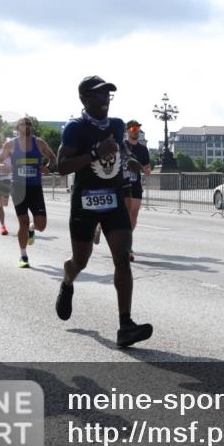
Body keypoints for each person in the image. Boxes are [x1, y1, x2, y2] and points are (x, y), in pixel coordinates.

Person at [55, 75, 152, 348]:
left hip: (113, 200)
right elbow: (62, 166)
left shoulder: (118, 124)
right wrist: (96, 151)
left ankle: (126, 326)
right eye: (98, 96)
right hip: (84, 203)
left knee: (122, 258)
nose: (104, 101)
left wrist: (131, 160)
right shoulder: (75, 128)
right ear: (84, 99)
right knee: (81, 261)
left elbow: (120, 150)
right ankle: (68, 279)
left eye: (107, 95)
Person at [0, 117, 57, 268]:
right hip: (18, 188)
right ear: (17, 127)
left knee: (41, 225)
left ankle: (33, 229)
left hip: (35, 188)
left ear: (32, 127)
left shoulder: (39, 143)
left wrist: (49, 168)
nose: (26, 126)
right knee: (22, 222)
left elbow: (53, 158)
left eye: (29, 124)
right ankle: (23, 256)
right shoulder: (10, 144)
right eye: (23, 124)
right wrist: (1, 166)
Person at [122, 120, 152, 261]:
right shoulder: (121, 146)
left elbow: (147, 167)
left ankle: (127, 239)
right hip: (122, 184)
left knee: (134, 216)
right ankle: (126, 245)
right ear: (127, 130)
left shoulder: (143, 149)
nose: (136, 131)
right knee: (125, 215)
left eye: (138, 129)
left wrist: (147, 170)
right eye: (133, 128)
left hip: (136, 185)